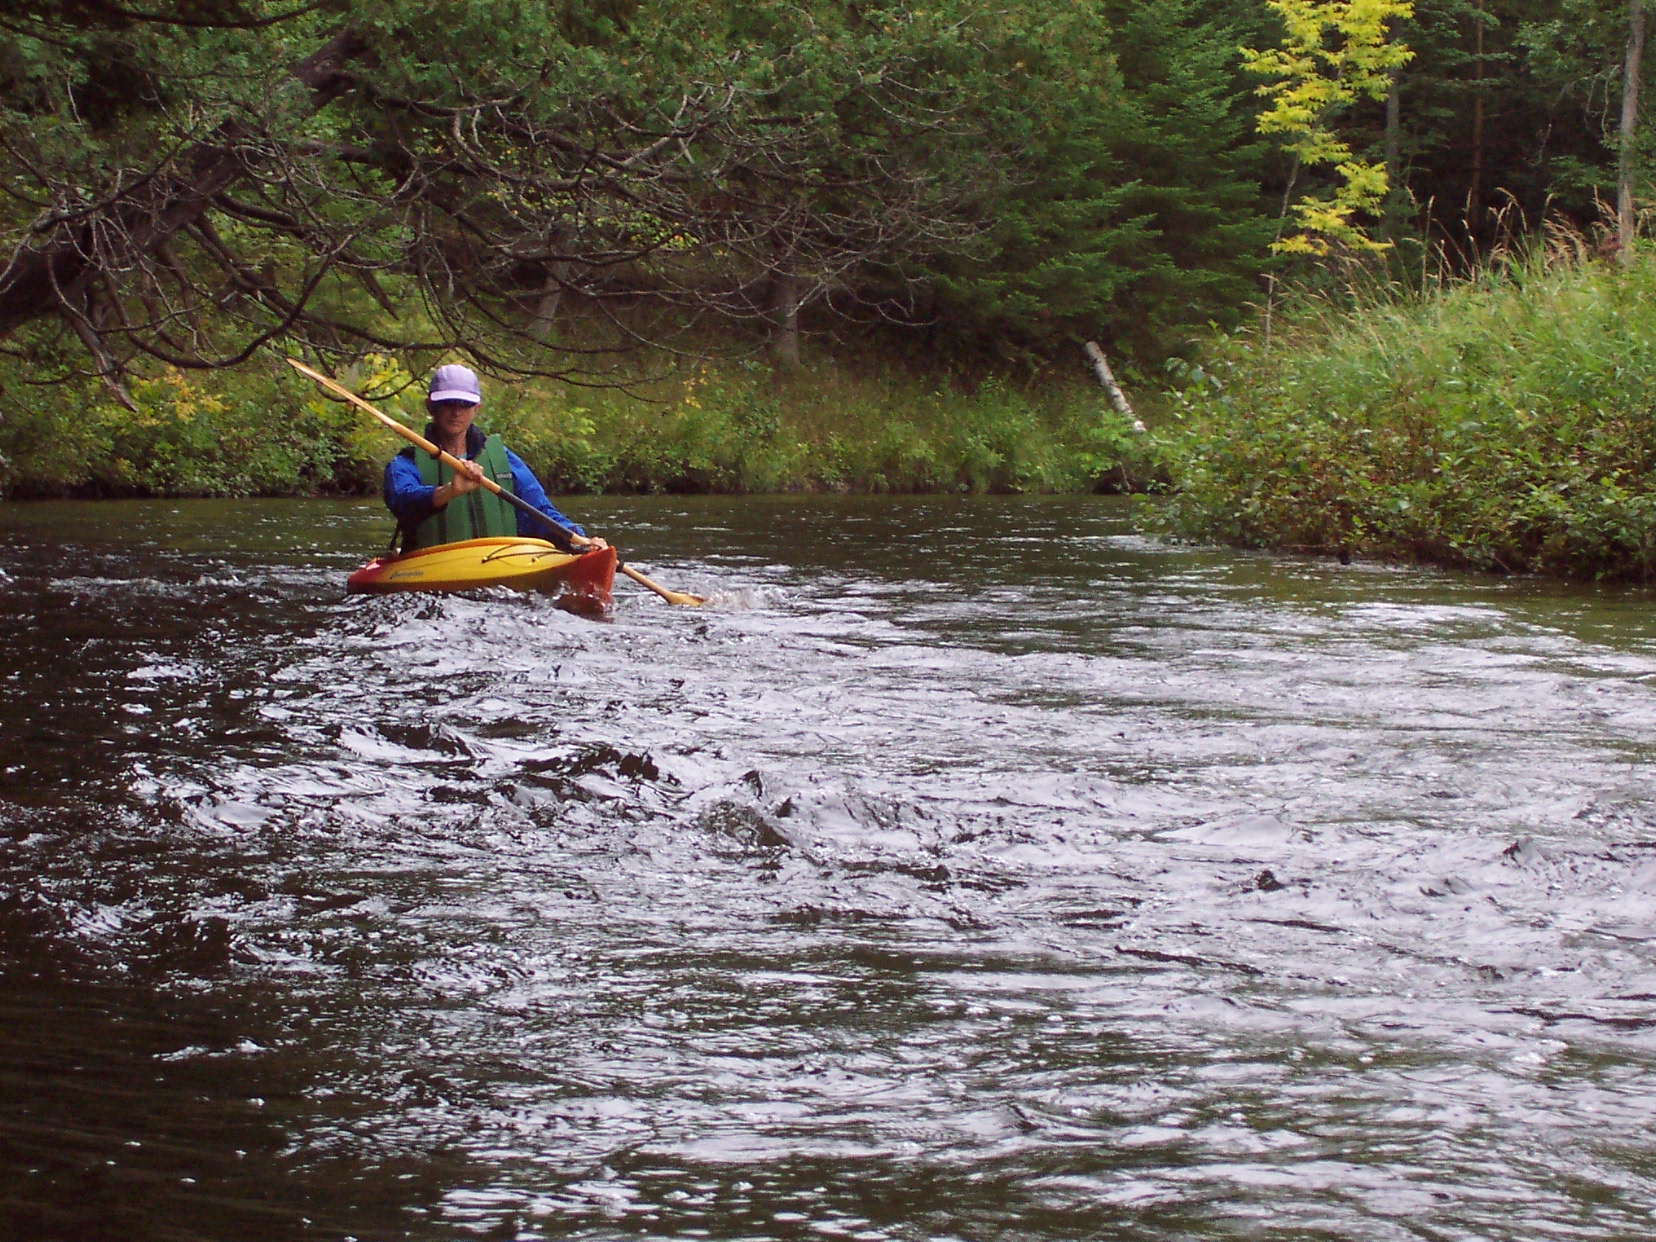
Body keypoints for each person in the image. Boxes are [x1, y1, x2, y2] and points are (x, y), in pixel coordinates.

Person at [383, 364, 609, 554]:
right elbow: (403, 502)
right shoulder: (406, 463)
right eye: (448, 404)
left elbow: (539, 511)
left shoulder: (504, 460)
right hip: (432, 565)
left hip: (500, 562)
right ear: (430, 406)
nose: (456, 412)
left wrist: (580, 540)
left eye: (465, 405)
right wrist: (450, 491)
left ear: (477, 408)